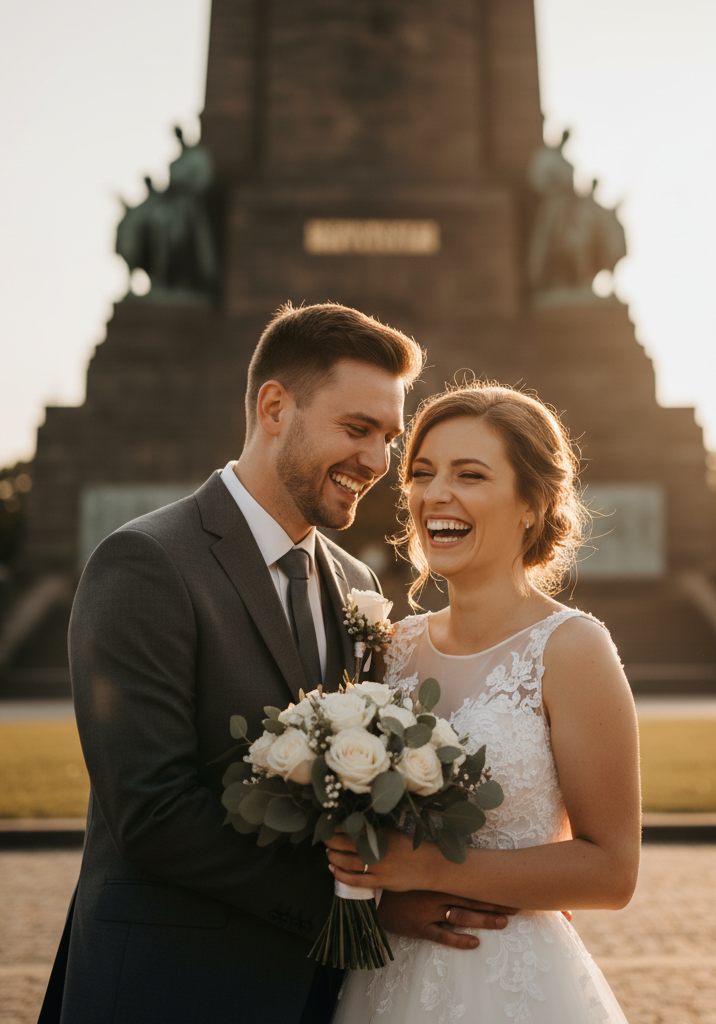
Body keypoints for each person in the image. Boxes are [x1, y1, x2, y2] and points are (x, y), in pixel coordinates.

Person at [37, 303, 517, 1024]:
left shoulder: (358, 585)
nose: (377, 462)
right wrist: (366, 900)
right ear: (273, 408)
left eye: (388, 437)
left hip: (315, 995)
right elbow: (152, 810)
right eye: (357, 429)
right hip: (169, 988)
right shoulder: (146, 562)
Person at [327, 382, 641, 1023]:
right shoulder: (387, 648)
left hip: (509, 984)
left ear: (532, 504)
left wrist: (427, 867)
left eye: (469, 474)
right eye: (422, 473)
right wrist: (388, 899)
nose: (434, 493)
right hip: (384, 978)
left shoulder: (572, 649)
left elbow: (611, 872)